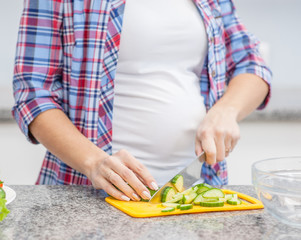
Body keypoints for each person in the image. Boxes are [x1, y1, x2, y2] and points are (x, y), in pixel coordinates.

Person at [12, 0, 271, 202]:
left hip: (195, 191)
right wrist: (93, 163)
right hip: (90, 194)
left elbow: (251, 61)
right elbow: (33, 95)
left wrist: (227, 110)